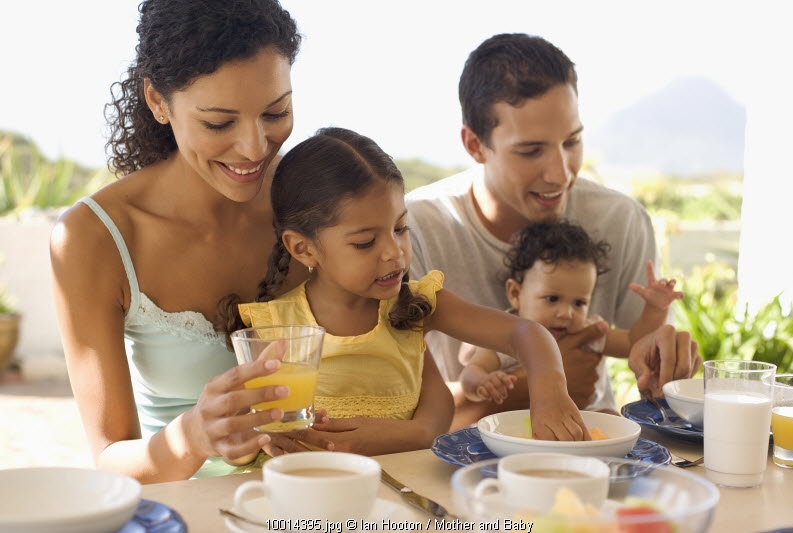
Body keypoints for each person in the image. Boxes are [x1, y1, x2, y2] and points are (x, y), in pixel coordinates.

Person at [49, 0, 309, 483]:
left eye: (276, 112)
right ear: (157, 102)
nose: (255, 148)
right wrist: (191, 436)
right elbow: (109, 459)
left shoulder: (312, 200)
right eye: (219, 123)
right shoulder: (95, 237)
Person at [219, 127, 591, 457]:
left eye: (400, 228)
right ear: (303, 249)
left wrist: (550, 390)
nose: (394, 252)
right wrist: (251, 439)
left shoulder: (415, 307)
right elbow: (242, 443)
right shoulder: (273, 328)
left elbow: (525, 332)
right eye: (365, 242)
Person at [406, 33, 701, 429]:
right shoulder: (414, 229)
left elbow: (638, 349)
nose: (561, 174)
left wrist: (659, 362)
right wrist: (541, 386)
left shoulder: (621, 220)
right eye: (531, 151)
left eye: (572, 142)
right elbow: (400, 410)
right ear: (475, 144)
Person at [459, 220, 684, 411]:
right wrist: (484, 383)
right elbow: (471, 373)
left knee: (609, 415)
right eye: (552, 299)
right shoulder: (503, 335)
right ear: (516, 293)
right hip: (519, 426)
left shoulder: (589, 333)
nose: (566, 314)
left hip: (580, 423)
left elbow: (635, 343)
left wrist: (655, 309)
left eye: (579, 303)